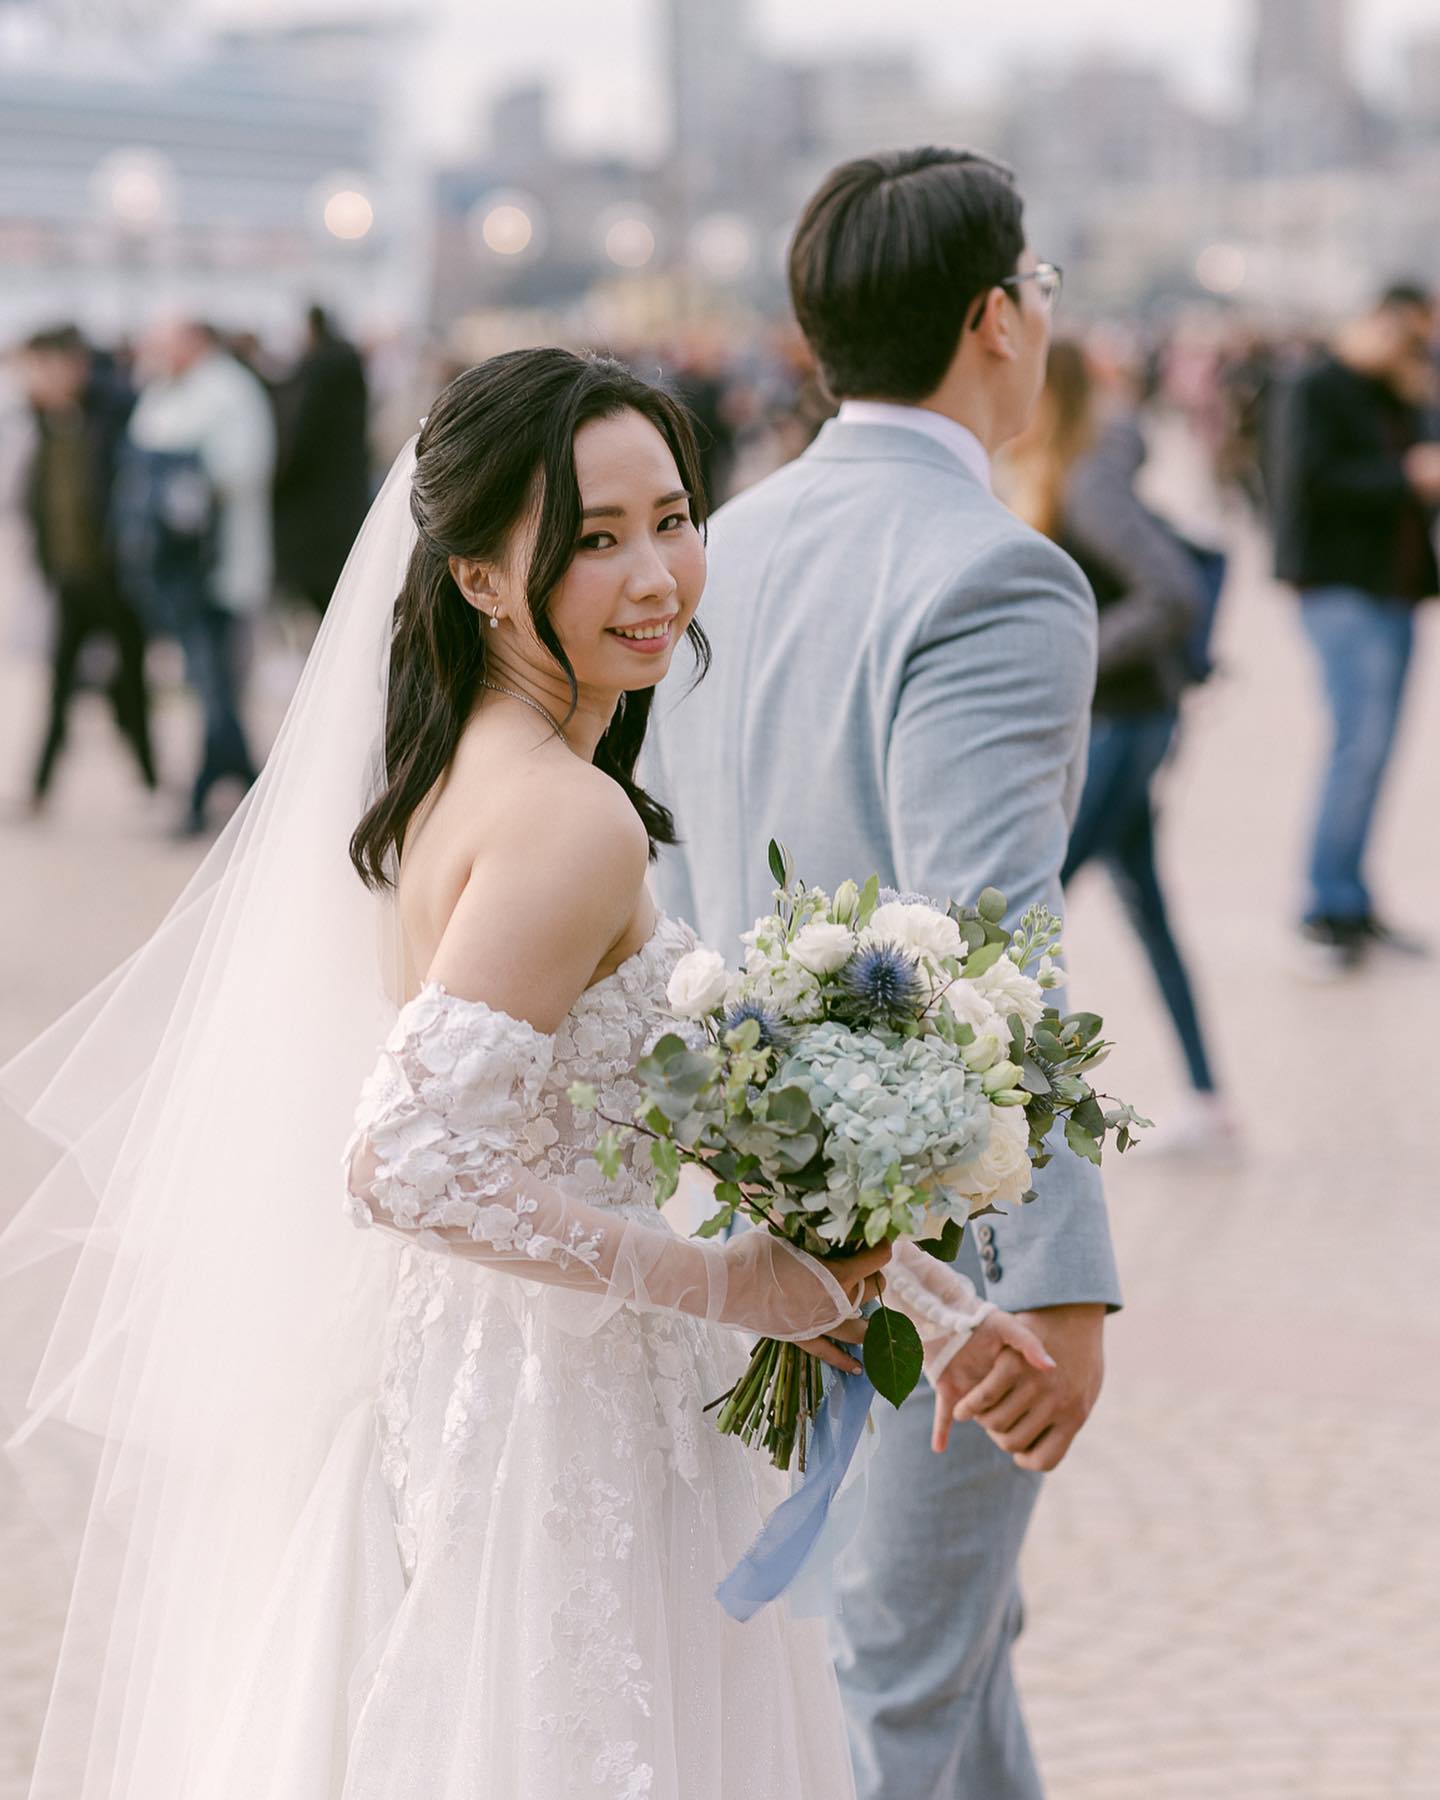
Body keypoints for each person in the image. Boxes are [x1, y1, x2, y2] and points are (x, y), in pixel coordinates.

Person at [1, 348, 1052, 1798]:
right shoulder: (570, 819)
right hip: (561, 1432)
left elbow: (619, 1106)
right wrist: (730, 1287)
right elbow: (406, 1161)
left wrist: (918, 1291)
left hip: (491, 1376)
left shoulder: (468, 766)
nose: (654, 577)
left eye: (671, 519)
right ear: (483, 576)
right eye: (592, 540)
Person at [647, 148, 1122, 1800]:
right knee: (895, 1691)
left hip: (757, 1222)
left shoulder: (724, 551)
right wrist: (1057, 1274)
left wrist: (747, 1195)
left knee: (937, 1653)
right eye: (1041, 291)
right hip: (949, 1263)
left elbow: (670, 894)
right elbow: (992, 939)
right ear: (996, 316)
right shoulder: (996, 571)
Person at [1005, 339, 1235, 1159]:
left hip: (1124, 721)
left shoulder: (1085, 477)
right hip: (1127, 718)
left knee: (1027, 915)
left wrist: (1073, 646)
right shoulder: (1067, 465)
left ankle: (1013, 1112)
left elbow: (1168, 589)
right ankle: (1210, 1099)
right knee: (1144, 906)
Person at [1269, 281, 1440, 974]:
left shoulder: (1400, 391)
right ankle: (1323, 906)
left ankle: (1352, 896)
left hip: (1397, 590)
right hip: (1338, 586)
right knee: (1357, 743)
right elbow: (1306, 484)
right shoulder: (1314, 385)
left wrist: (1419, 392)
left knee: (1378, 749)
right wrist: (1403, 477)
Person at [123, 317, 276, 835]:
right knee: (210, 682)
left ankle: (226, 787)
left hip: (220, 566)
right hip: (178, 568)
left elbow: (239, 468)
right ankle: (245, 785)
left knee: (217, 681)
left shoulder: (230, 392)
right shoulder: (169, 391)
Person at [19, 325, 156, 809]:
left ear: (72, 366)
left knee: (132, 682)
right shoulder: (48, 421)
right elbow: (39, 497)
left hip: (114, 577)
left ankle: (150, 778)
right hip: (70, 575)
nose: (35, 380)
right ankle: (39, 788)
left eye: (44, 369)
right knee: (59, 685)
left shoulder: (112, 416)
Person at [273, 304, 370, 614]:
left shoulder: (320, 374)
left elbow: (302, 442)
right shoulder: (346, 373)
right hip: (341, 504)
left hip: (317, 515)